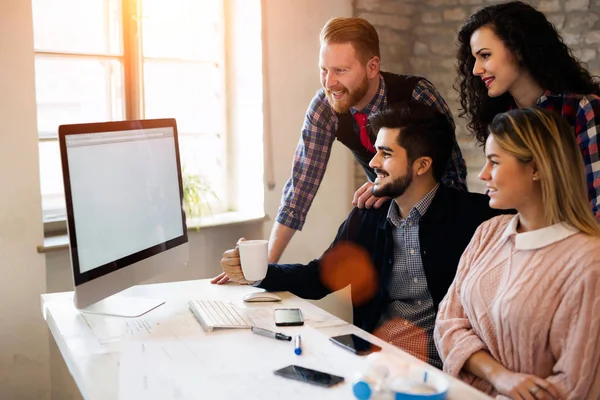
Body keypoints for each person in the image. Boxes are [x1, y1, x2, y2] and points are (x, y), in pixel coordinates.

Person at [213, 102, 498, 368]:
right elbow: (318, 277)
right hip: (374, 363)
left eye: (386, 154)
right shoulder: (368, 216)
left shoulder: (476, 220)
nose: (373, 163)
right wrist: (257, 273)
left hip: (442, 369)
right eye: (376, 151)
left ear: (422, 165)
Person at [267, 16, 467, 263]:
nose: (329, 83)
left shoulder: (416, 95)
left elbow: (453, 176)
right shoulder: (324, 107)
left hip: (438, 220)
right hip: (383, 220)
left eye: (340, 70)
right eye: (324, 70)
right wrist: (264, 266)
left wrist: (393, 188)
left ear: (372, 67)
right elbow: (299, 189)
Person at [434, 108, 600, 399]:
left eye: (494, 162)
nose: (482, 174)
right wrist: (500, 377)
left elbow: (577, 385)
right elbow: (447, 323)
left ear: (536, 167)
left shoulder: (589, 262)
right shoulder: (489, 233)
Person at [456, 1, 600, 220]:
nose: (476, 70)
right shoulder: (502, 120)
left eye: (485, 55)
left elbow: (597, 202)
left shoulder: (582, 109)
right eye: (474, 59)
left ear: (519, 50)